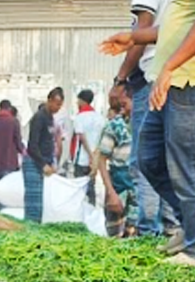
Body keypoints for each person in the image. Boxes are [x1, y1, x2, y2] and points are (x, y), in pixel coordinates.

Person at [103, 0, 195, 267]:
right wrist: (133, 38)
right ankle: (192, 227)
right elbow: (172, 27)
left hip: (194, 80)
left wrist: (169, 66)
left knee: (187, 164)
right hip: (169, 81)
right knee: (149, 158)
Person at [114, 0, 171, 236]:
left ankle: (149, 228)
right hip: (173, 75)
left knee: (145, 159)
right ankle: (173, 227)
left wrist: (120, 78)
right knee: (169, 158)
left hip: (151, 77)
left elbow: (141, 35)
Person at [91, 83, 135, 237]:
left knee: (137, 238)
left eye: (126, 104)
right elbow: (102, 160)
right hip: (119, 187)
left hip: (138, 194)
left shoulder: (148, 126)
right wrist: (111, 193)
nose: (124, 109)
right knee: (115, 236)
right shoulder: (116, 126)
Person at [23, 87, 62, 223]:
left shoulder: (50, 117)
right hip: (34, 162)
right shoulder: (39, 117)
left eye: (60, 105)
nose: (58, 108)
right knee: (34, 202)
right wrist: (43, 164)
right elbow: (32, 145)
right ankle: (30, 228)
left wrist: (51, 162)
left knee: (40, 202)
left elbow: (48, 142)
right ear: (49, 100)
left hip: (43, 161)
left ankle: (36, 226)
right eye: (57, 104)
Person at [70, 86, 102, 178]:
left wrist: (90, 155)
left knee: (79, 188)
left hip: (81, 159)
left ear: (82, 101)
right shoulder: (99, 118)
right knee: (91, 186)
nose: (77, 103)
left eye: (78, 100)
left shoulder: (80, 117)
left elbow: (82, 138)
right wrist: (94, 158)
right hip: (94, 160)